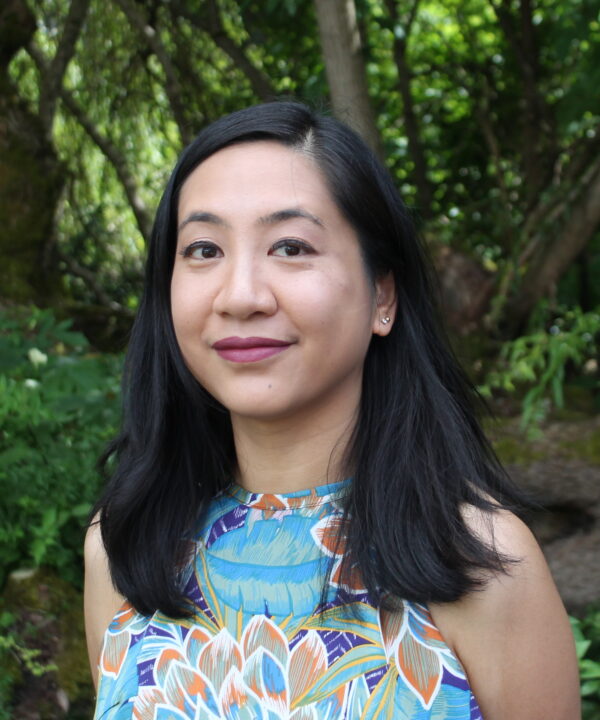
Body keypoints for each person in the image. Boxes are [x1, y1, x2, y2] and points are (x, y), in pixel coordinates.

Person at [84, 101, 580, 720]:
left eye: (291, 246)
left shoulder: (480, 563)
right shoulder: (124, 547)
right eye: (204, 249)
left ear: (383, 296)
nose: (240, 296)